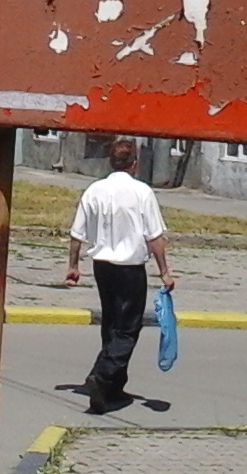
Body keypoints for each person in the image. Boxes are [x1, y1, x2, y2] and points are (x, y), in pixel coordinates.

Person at [64, 138, 176, 413]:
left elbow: (77, 234)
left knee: (112, 324)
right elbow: (155, 237)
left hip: (103, 267)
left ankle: (112, 389)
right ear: (134, 164)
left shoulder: (94, 190)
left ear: (111, 162)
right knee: (127, 329)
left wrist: (73, 266)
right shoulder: (142, 192)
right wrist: (164, 271)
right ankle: (102, 375)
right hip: (130, 269)